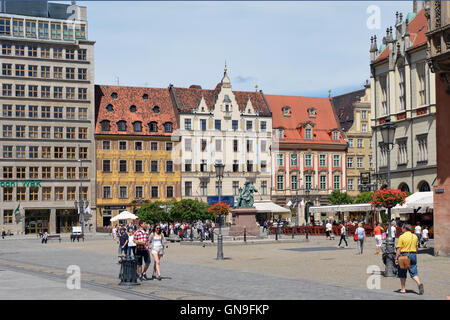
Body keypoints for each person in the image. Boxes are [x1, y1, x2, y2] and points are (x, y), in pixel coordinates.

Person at [395, 224, 424, 295]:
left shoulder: (402, 236)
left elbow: (399, 248)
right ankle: (419, 283)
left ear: (405, 228)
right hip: (413, 255)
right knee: (414, 272)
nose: (401, 229)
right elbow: (417, 248)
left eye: (402, 228)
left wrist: (396, 258)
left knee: (402, 272)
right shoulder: (415, 236)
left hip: (405, 255)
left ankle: (403, 289)